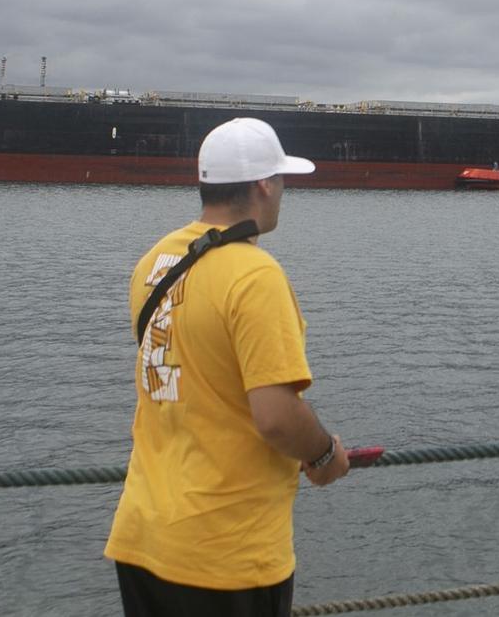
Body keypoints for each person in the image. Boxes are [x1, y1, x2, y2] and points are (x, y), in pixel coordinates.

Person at [106, 117, 351, 616]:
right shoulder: (255, 275)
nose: (284, 193)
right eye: (282, 181)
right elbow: (276, 417)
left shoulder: (155, 260)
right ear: (264, 185)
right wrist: (325, 457)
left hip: (142, 538)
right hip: (224, 554)